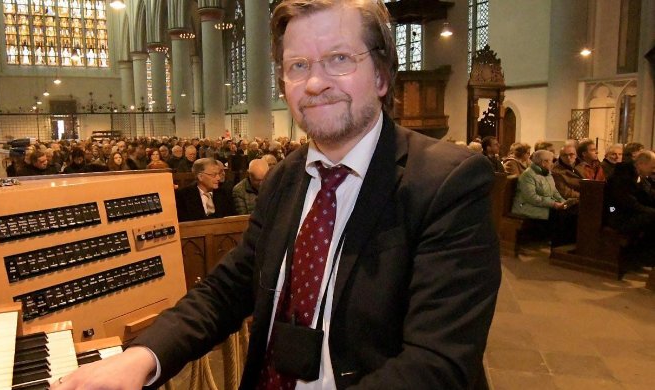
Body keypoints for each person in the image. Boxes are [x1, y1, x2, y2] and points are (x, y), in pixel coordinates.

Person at [54, 1, 499, 389]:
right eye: (297, 65)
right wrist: (141, 358)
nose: (314, 83)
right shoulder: (287, 176)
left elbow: (437, 363)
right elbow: (228, 289)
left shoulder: (448, 182)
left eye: (339, 59)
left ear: (382, 76)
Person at [605, 150, 655, 265]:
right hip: (617, 215)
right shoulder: (623, 174)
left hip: (631, 212)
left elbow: (649, 194)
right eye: (652, 167)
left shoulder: (640, 175)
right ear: (641, 164)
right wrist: (650, 210)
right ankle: (644, 257)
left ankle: (645, 255)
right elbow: (627, 202)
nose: (654, 171)